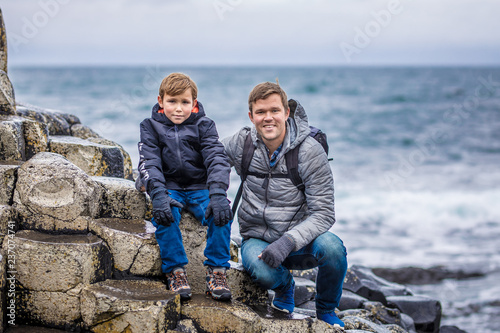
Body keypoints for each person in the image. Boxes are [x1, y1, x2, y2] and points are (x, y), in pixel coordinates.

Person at [222, 82, 348, 328]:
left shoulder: (310, 151)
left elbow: (323, 213)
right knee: (262, 272)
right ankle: (285, 288)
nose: (268, 118)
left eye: (274, 111)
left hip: (300, 243)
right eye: (260, 112)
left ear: (286, 112)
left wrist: (287, 242)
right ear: (251, 116)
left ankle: (325, 309)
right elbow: (202, 159)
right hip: (257, 238)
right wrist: (153, 173)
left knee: (333, 249)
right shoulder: (242, 143)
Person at [138, 72, 233, 301]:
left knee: (222, 213)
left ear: (194, 103)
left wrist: (218, 193)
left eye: (185, 102)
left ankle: (217, 273)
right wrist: (158, 195)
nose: (178, 108)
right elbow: (149, 161)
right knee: (166, 214)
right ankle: (176, 272)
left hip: (200, 187)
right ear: (160, 101)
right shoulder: (150, 126)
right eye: (172, 101)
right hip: (169, 187)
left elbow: (216, 158)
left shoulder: (205, 125)